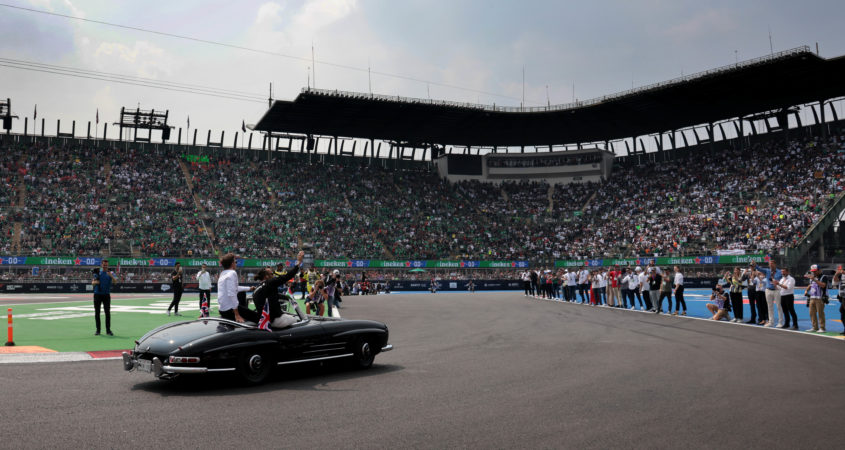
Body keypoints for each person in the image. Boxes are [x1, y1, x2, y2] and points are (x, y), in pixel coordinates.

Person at [251, 251, 304, 328]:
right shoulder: (269, 283)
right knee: (295, 321)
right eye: (272, 274)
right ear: (266, 276)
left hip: (265, 321)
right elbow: (287, 276)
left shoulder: (257, 289)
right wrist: (298, 262)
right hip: (275, 320)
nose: (273, 275)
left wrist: (285, 296)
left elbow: (270, 295)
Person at [216, 253, 257, 323]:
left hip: (222, 310)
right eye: (235, 262)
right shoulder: (232, 273)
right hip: (230, 311)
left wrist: (249, 288)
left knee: (242, 293)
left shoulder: (222, 274)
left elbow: (235, 288)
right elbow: (231, 293)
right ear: (232, 264)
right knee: (258, 318)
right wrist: (237, 314)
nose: (236, 263)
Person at [751, 260, 782, 328]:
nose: (771, 265)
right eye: (770, 264)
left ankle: (780, 322)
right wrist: (755, 264)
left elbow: (782, 280)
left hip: (776, 290)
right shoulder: (767, 271)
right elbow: (759, 269)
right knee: (769, 307)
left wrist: (778, 283)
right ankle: (771, 322)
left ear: (775, 264)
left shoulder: (780, 272)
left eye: (772, 263)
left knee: (778, 307)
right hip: (768, 290)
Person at [92, 259, 115, 336]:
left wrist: (111, 276)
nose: (105, 266)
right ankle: (98, 330)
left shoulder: (110, 273)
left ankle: (108, 330)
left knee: (107, 313)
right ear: (101, 265)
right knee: (97, 313)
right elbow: (93, 283)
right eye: (104, 264)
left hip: (106, 295)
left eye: (106, 265)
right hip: (97, 294)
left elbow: (115, 282)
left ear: (107, 265)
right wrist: (96, 282)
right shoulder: (98, 272)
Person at [803, 264, 827, 333]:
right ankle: (814, 327)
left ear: (819, 270)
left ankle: (822, 328)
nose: (814, 272)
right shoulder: (812, 277)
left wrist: (815, 279)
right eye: (813, 271)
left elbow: (823, 285)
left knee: (820, 313)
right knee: (812, 313)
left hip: (820, 298)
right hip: (812, 297)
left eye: (815, 271)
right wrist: (806, 290)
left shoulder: (823, 277)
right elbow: (810, 285)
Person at [833, 266, 845, 336]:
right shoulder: (841, 275)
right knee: (842, 312)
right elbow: (835, 281)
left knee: (843, 311)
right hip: (842, 296)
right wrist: (836, 274)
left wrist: (843, 272)